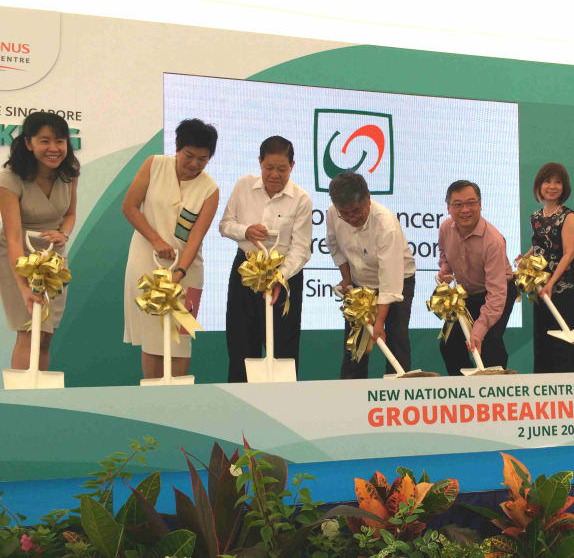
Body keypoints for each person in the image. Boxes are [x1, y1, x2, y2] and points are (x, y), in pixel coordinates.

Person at [122, 118, 219, 379]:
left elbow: (196, 238)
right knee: (152, 336)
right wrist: (156, 240)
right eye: (189, 155)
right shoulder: (154, 164)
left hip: (189, 271)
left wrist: (179, 274)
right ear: (177, 147)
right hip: (146, 261)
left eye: (203, 159)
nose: (195, 164)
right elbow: (129, 207)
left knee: (181, 338)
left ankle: (177, 398)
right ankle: (153, 398)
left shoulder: (211, 189)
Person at [219, 136, 312, 382]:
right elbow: (225, 225)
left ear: (292, 166)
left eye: (282, 169)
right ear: (259, 162)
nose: (274, 175)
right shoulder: (243, 186)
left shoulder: (301, 199)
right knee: (240, 346)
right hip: (246, 270)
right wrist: (246, 231)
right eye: (269, 167)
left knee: (284, 348)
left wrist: (280, 277)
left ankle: (284, 410)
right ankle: (241, 408)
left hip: (284, 276)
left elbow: (301, 249)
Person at [0, 112, 79, 371]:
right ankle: (23, 401)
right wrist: (23, 287)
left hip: (54, 259)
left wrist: (64, 234)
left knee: (46, 335)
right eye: (45, 141)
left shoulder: (70, 173)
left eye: (60, 141)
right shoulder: (9, 178)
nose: (54, 148)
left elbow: (69, 214)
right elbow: (12, 236)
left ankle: (41, 396)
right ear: (28, 143)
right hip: (18, 256)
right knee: (29, 331)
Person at [326, 171, 415, 379]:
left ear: (368, 198)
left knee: (394, 340)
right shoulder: (333, 212)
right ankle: (350, 397)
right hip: (359, 284)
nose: (351, 219)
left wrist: (379, 322)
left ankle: (399, 397)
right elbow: (334, 245)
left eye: (356, 211)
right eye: (345, 214)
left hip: (397, 281)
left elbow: (390, 281)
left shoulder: (385, 225)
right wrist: (347, 278)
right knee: (355, 344)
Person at [438, 180, 516, 375]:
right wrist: (445, 269)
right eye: (458, 204)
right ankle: (465, 395)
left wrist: (479, 330)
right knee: (449, 344)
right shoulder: (445, 229)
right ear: (448, 208)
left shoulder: (493, 241)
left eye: (471, 203)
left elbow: (497, 295)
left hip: (498, 292)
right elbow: (444, 255)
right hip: (467, 293)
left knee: (488, 342)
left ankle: (495, 395)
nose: (465, 210)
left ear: (480, 205)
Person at [523, 163, 574, 373]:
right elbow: (540, 245)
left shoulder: (568, 217)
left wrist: (552, 283)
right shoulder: (535, 217)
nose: (552, 186)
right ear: (539, 185)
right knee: (545, 339)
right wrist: (524, 258)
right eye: (547, 181)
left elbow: (568, 254)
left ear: (564, 187)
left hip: (565, 288)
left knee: (566, 343)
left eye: (558, 182)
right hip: (542, 288)